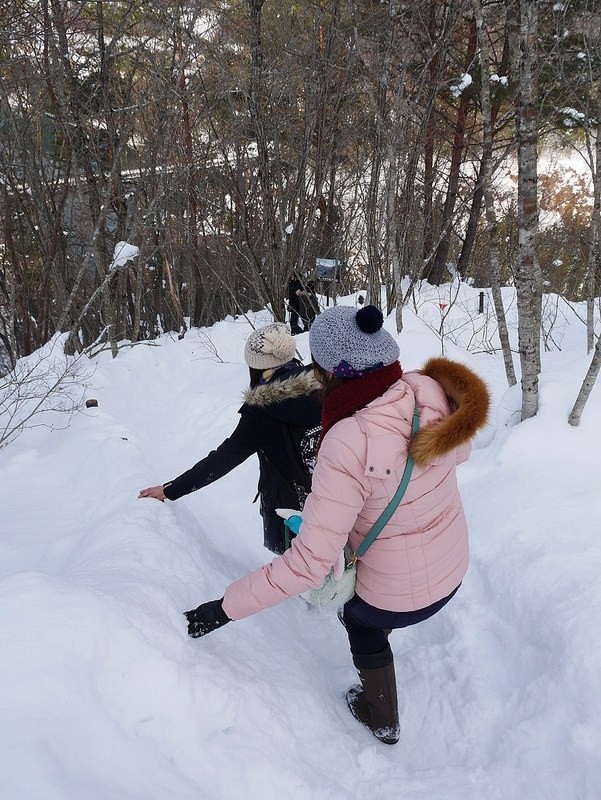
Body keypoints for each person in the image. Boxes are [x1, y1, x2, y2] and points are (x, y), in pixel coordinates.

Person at [181, 305, 489, 745]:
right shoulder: (427, 391)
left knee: (359, 618)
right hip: (453, 569)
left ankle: (381, 716)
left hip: (398, 599)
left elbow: (309, 564)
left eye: (319, 364)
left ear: (332, 369)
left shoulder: (348, 439)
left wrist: (222, 609)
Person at [139, 322, 322, 555]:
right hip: (335, 495)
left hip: (291, 507)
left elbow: (224, 459)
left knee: (304, 570)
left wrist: (171, 489)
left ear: (255, 366)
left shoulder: (261, 410)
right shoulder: (327, 384)